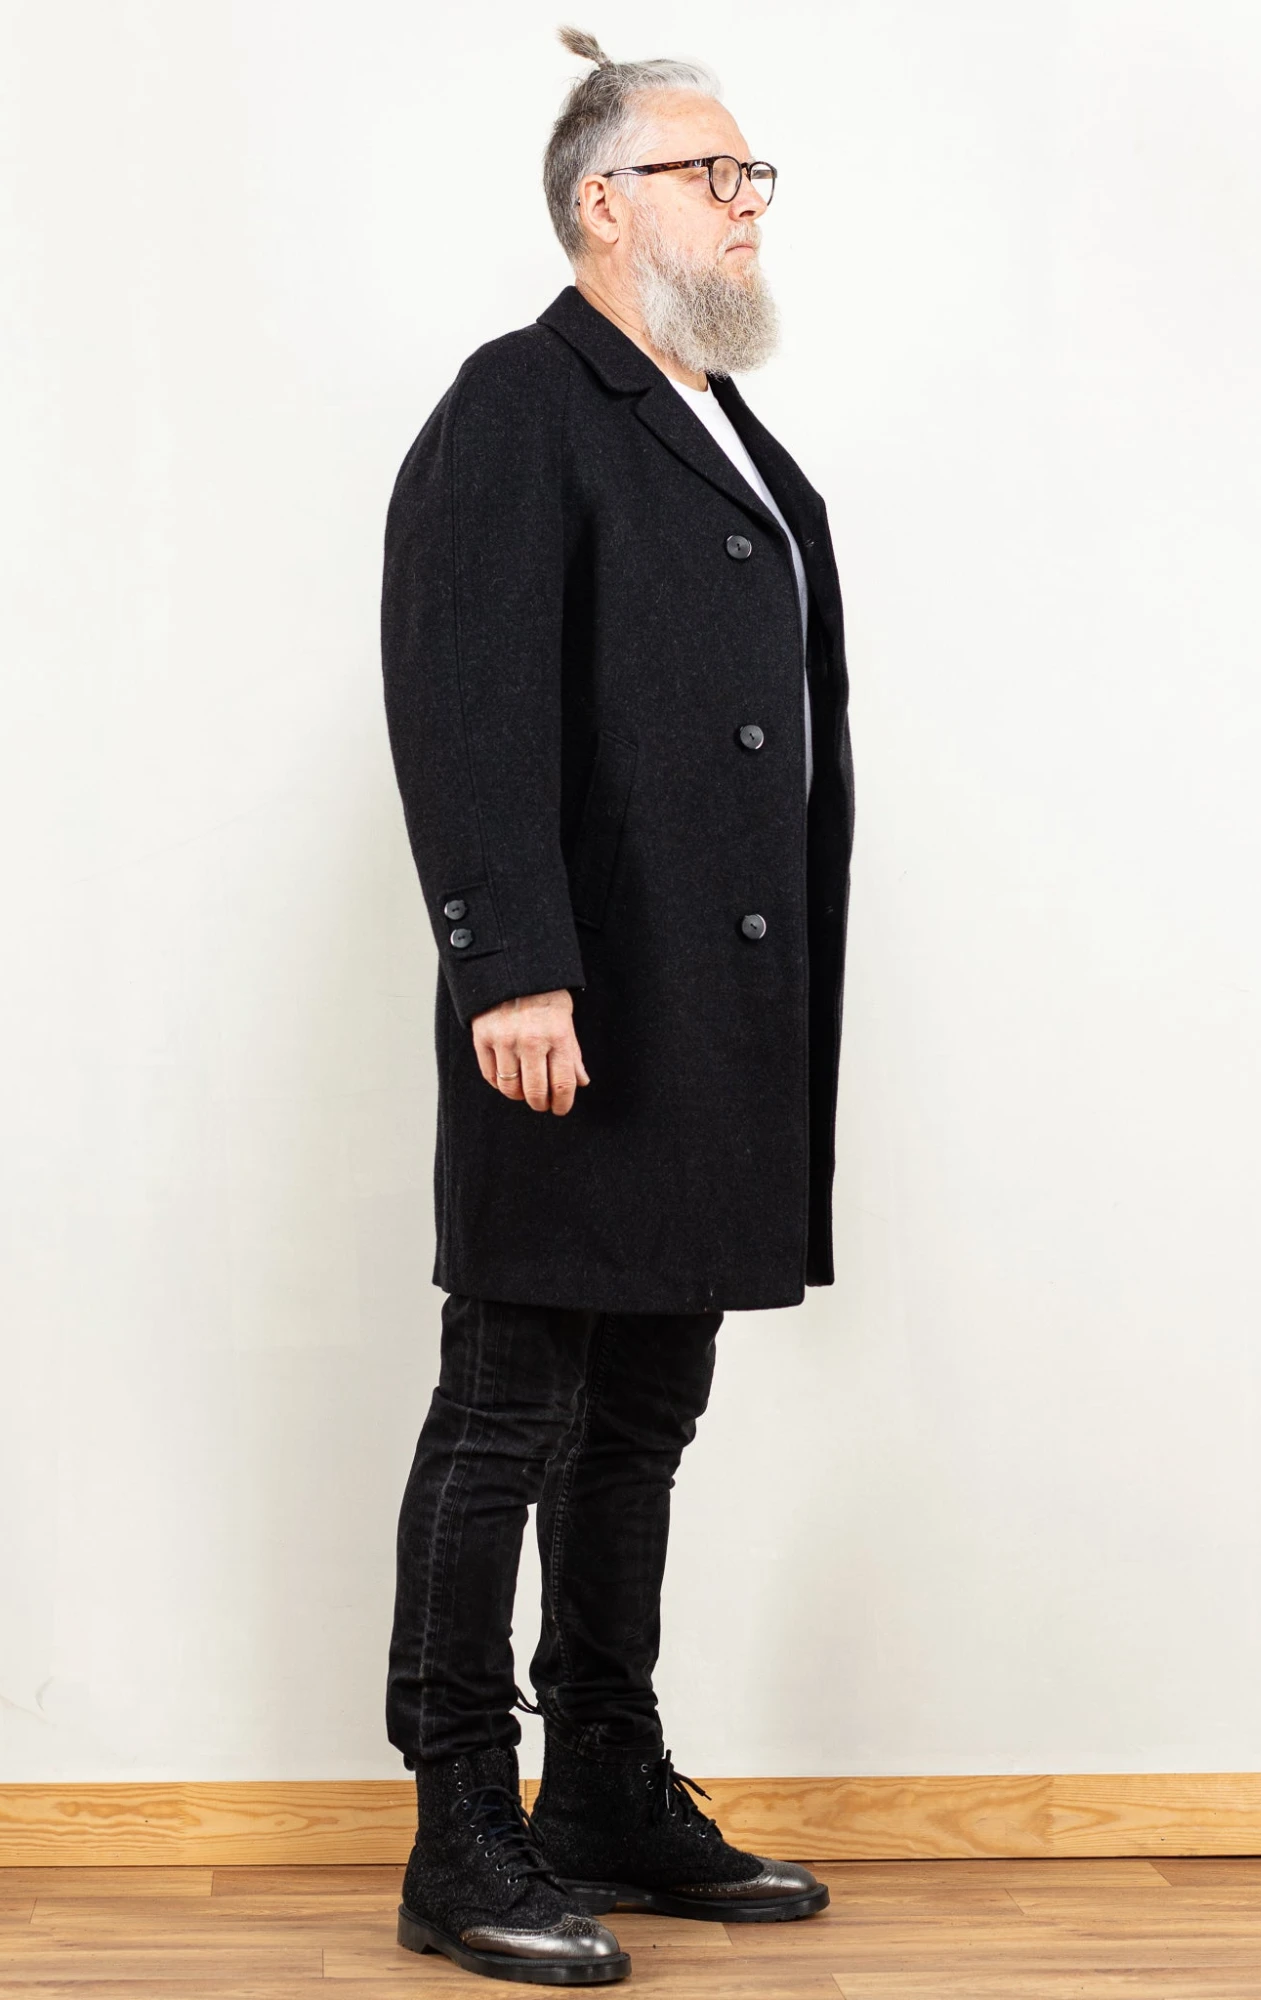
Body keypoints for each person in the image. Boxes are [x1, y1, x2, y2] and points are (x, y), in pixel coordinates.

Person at [379, 25, 854, 1984]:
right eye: (712, 175)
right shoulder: (522, 401)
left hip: (703, 1017)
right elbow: (463, 688)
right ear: (603, 200)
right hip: (574, 1005)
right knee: (512, 1401)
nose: (749, 206)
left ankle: (602, 1779)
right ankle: (458, 1823)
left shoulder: (717, 416)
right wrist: (508, 960)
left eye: (755, 178)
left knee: (646, 1408)